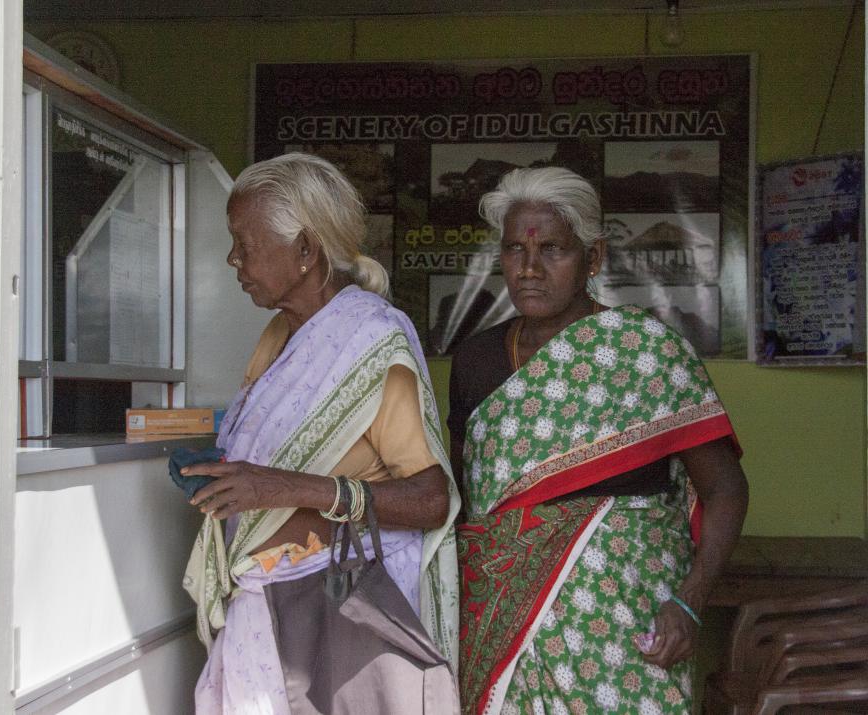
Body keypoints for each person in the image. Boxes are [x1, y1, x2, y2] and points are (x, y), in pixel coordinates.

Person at [449, 167, 748, 715]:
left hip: (625, 633)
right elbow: (466, 502)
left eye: (553, 250)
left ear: (594, 258)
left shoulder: (647, 353)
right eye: (515, 250)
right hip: (502, 628)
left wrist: (690, 601)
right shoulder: (475, 360)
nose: (530, 268)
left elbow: (726, 490)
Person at [182, 153, 461, 714]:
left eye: (246, 242)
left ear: (306, 251)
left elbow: (432, 500)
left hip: (334, 625)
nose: (233, 258)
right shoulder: (279, 336)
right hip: (269, 608)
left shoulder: (374, 343)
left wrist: (283, 488)